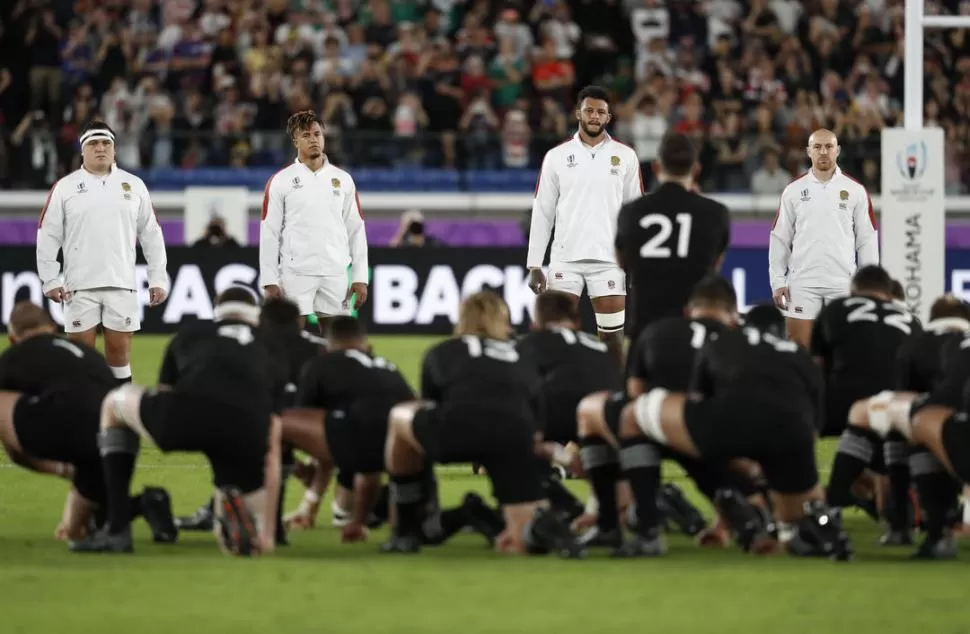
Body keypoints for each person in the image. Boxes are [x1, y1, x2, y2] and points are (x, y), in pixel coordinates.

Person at [610, 282, 852, 560]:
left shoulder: (723, 341)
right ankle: (817, 529)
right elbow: (812, 430)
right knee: (793, 523)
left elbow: (698, 404)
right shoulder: (800, 358)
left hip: (729, 426)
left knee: (633, 416)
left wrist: (739, 463)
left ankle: (649, 530)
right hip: (791, 435)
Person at [69, 288, 288, 556]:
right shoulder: (273, 347)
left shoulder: (191, 334)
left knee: (114, 403)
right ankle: (233, 521)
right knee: (241, 541)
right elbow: (274, 441)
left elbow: (164, 393)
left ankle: (117, 529)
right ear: (256, 315)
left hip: (187, 414)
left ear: (217, 309)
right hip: (246, 430)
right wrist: (268, 534)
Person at [381, 291, 583, 557]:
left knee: (401, 416)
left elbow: (430, 409)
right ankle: (539, 530)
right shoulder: (520, 356)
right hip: (514, 438)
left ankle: (405, 532)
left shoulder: (442, 352)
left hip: (456, 432)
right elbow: (537, 422)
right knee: (518, 543)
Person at [576, 276, 756, 552]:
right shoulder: (743, 342)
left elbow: (634, 391)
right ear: (734, 316)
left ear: (688, 310)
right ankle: (730, 515)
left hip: (649, 432)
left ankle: (617, 524)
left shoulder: (659, 330)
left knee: (593, 410)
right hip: (718, 444)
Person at [0, 302, 175, 544]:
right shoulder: (87, 354)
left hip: (69, 429)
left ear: (12, 337)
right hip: (119, 437)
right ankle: (144, 503)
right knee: (78, 529)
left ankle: (68, 472)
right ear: (52, 327)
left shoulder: (13, 357)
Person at [175, 296, 327, 544]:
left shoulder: (256, 345)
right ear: (298, 320)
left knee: (251, 432)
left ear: (262, 320)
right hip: (323, 429)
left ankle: (226, 508)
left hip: (257, 422)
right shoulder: (322, 347)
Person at [35, 120, 169, 385]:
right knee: (80, 356)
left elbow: (151, 234)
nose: (100, 148)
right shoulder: (65, 187)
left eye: (106, 143)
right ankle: (81, 417)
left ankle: (117, 417)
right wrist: (50, 278)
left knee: (119, 355)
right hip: (79, 284)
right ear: (82, 150)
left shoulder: (134, 185)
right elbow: (47, 234)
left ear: (114, 149)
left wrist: (157, 278)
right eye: (93, 143)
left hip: (122, 283)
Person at [526, 85, 643, 365]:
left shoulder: (625, 156)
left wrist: (635, 262)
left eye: (600, 112)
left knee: (613, 343)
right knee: (555, 341)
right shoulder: (556, 156)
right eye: (589, 110)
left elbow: (635, 213)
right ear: (578, 113)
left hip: (609, 260)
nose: (594, 116)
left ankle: (613, 398)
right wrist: (534, 264)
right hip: (565, 259)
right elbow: (542, 211)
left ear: (609, 118)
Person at [811, 266, 920, 545]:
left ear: (853, 290)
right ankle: (898, 522)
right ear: (888, 292)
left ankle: (819, 506)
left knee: (793, 441)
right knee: (884, 455)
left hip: (839, 402)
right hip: (895, 409)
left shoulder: (836, 308)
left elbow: (814, 367)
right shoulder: (911, 319)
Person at [515, 290, 624, 524]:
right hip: (607, 416)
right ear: (577, 321)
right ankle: (602, 509)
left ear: (536, 323)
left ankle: (553, 501)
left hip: (555, 415)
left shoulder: (529, 344)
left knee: (516, 442)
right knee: (603, 456)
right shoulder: (599, 345)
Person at [615, 132, 731, 345]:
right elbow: (715, 265)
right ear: (696, 170)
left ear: (657, 167)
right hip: (694, 336)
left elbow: (622, 263)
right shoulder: (716, 213)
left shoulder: (631, 212)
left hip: (644, 331)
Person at [259, 110, 369, 334]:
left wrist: (359, 277)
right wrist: (270, 280)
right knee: (290, 340)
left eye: (317, 134)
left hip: (336, 272)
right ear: (295, 140)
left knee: (338, 341)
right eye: (306, 135)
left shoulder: (343, 179)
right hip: (296, 273)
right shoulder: (281, 181)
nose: (313, 139)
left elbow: (356, 230)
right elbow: (269, 232)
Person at [769, 128, 879, 348]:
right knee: (800, 349)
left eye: (828, 146)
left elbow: (867, 239)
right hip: (802, 283)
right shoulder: (792, 191)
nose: (823, 152)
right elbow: (780, 237)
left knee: (846, 349)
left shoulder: (855, 190)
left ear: (837, 151)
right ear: (808, 151)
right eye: (817, 147)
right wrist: (778, 281)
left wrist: (868, 287)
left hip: (843, 283)